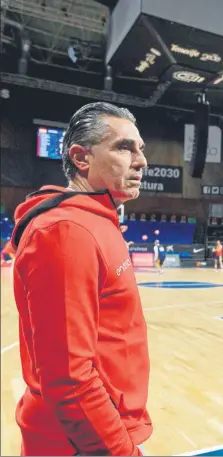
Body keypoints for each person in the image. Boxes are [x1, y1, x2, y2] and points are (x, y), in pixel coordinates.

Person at [11, 102, 151, 456]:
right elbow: (69, 379)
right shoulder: (66, 231)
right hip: (79, 443)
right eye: (124, 147)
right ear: (81, 158)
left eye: (140, 149)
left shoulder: (97, 222)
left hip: (99, 433)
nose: (141, 160)